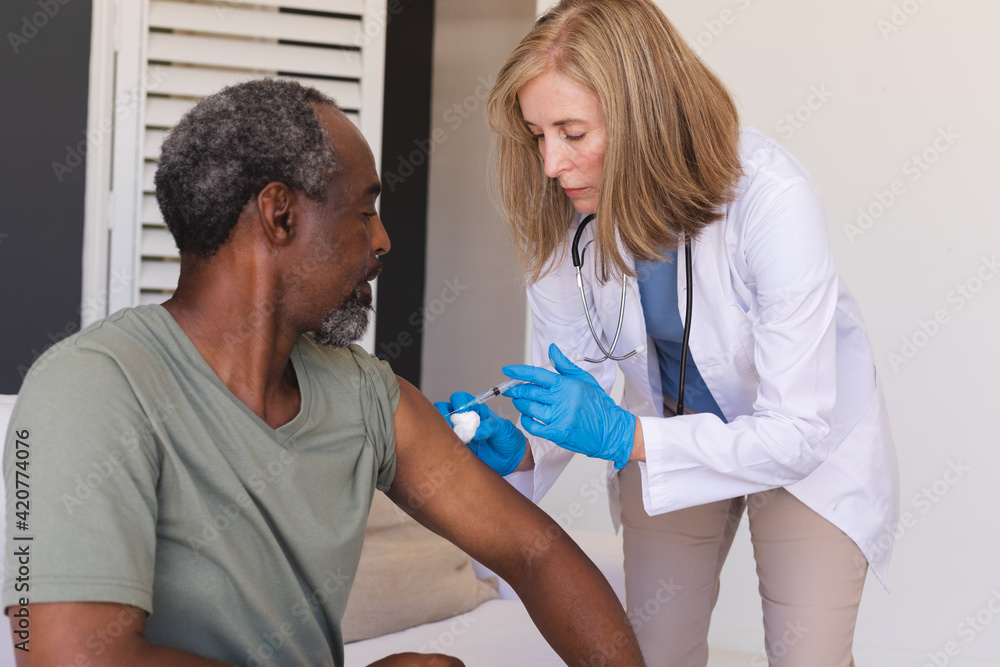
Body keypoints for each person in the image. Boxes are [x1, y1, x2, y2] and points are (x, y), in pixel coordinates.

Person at [1, 78, 645, 667]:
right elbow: (63, 659)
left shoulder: (364, 393)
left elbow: (536, 554)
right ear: (279, 214)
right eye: (364, 212)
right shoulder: (86, 389)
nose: (383, 240)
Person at [436, 1, 899, 665]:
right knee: (652, 652)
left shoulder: (770, 197)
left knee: (809, 656)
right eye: (537, 135)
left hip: (804, 440)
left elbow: (795, 430)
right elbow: (577, 373)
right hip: (666, 428)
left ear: (644, 115)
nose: (550, 164)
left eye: (572, 132)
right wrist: (527, 450)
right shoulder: (564, 215)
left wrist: (625, 437)